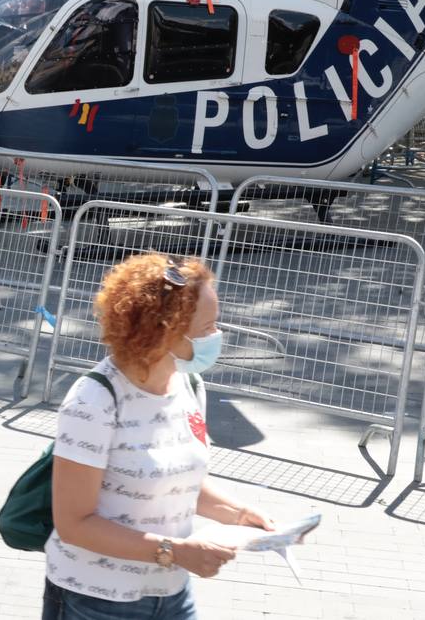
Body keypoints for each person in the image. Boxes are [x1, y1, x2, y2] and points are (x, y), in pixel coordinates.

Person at [44, 253, 276, 619]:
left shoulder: (189, 385)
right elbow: (74, 524)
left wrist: (238, 513)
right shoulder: (94, 400)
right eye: (207, 328)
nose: (217, 337)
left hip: (171, 592)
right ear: (164, 329)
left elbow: (175, 482)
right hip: (98, 600)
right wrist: (176, 551)